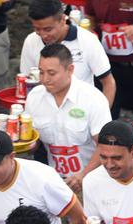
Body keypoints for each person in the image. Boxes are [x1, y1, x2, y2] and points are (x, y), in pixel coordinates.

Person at [25, 43, 112, 190]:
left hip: (93, 180)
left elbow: (106, 146)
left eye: (52, 73)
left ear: (70, 70)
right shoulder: (34, 97)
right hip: (54, 181)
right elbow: (34, 142)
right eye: (41, 72)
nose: (45, 79)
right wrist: (25, 143)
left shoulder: (93, 98)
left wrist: (83, 175)